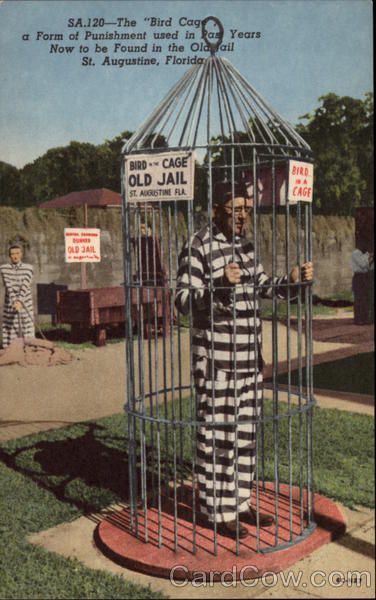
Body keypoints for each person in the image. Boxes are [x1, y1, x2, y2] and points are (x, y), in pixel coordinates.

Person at [175, 181, 313, 540]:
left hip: (250, 358)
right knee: (216, 433)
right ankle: (213, 510)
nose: (242, 215)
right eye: (235, 208)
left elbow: (263, 285)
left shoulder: (246, 246)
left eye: (246, 209)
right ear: (216, 209)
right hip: (217, 359)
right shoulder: (198, 245)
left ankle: (238, 502)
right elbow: (182, 301)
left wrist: (292, 282)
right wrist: (219, 283)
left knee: (246, 432)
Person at [0, 244, 35, 348]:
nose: (15, 256)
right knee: (10, 326)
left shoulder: (29, 268)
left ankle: (28, 348)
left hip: (25, 302)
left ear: (21, 254)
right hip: (10, 303)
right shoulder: (4, 268)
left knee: (26, 326)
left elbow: (25, 285)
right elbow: (8, 285)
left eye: (17, 253)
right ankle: (10, 349)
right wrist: (15, 302)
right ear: (9, 256)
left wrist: (20, 301)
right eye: (12, 254)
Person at [351, 242, 374, 325]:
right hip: (358, 277)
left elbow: (370, 267)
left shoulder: (367, 254)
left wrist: (371, 260)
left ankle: (364, 318)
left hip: (366, 276)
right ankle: (358, 319)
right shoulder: (356, 253)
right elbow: (363, 265)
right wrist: (370, 258)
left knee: (365, 298)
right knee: (359, 298)